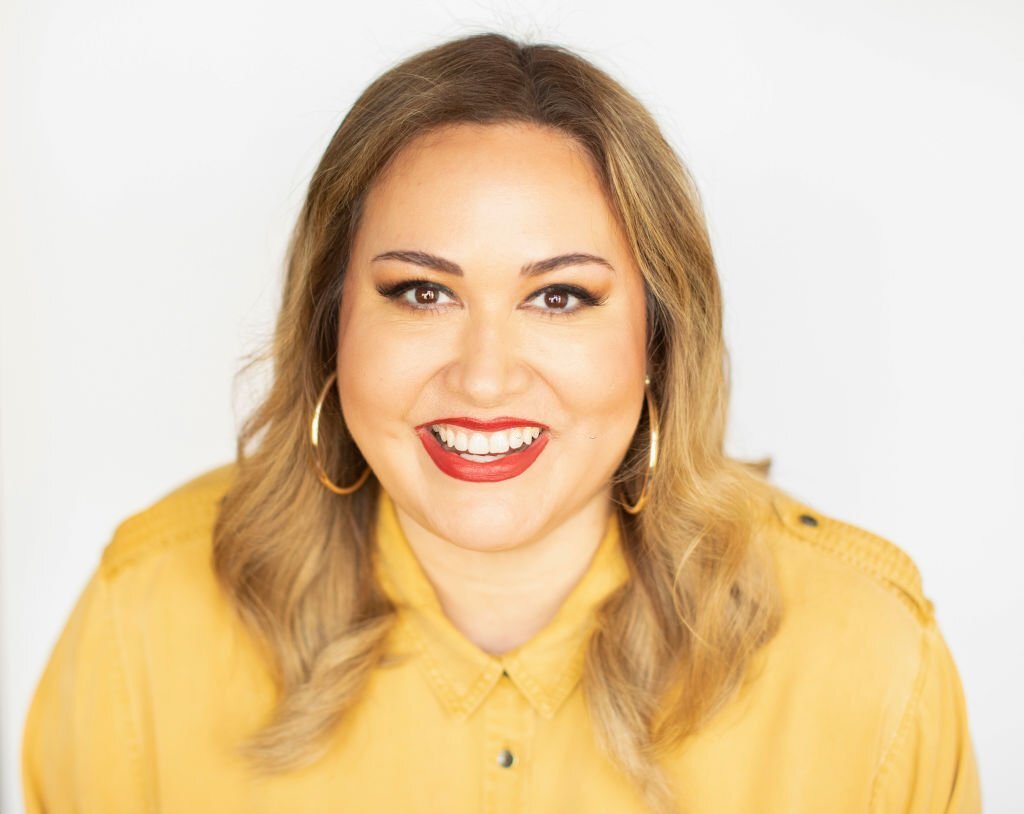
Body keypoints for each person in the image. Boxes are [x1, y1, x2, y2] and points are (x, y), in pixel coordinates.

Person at [21, 31, 980, 813]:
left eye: (560, 298)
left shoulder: (871, 662)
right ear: (331, 325)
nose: (484, 380)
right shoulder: (141, 623)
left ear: (657, 339)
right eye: (422, 292)